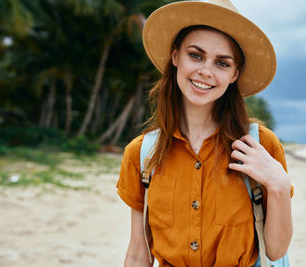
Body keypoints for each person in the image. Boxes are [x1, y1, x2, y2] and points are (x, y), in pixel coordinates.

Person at [116, 0, 293, 266]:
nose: (205, 71)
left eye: (222, 63)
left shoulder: (260, 146)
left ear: (235, 74)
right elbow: (138, 252)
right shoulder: (141, 154)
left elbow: (276, 251)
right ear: (175, 57)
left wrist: (278, 186)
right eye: (196, 55)